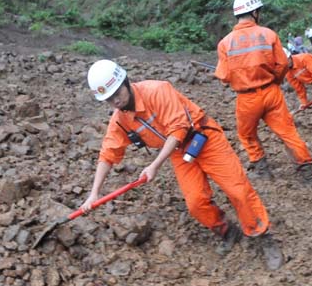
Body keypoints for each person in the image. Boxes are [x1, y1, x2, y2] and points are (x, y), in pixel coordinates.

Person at [82, 59, 284, 269]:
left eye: (117, 94)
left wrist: (155, 165)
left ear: (125, 81)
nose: (115, 101)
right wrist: (94, 193)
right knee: (196, 203)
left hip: (203, 136)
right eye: (108, 99)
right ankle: (227, 231)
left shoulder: (157, 91)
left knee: (238, 191)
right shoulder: (120, 120)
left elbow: (179, 128)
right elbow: (108, 153)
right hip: (179, 152)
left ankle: (262, 236)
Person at [215, 0, 312, 186]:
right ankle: (308, 173)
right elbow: (283, 65)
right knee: (288, 132)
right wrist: (275, 82)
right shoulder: (269, 34)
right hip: (272, 93)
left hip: (247, 98)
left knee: (247, 134)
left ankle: (262, 170)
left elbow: (224, 77)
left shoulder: (225, 43)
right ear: (255, 12)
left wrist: (237, 78)